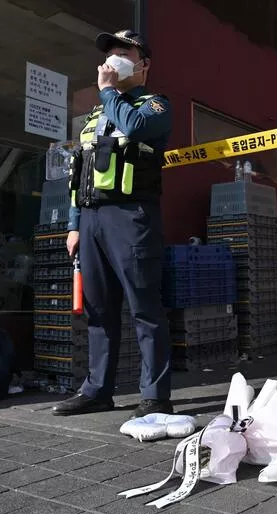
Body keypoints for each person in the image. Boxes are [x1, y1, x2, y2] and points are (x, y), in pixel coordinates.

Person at [52, 30, 173, 417]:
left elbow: (136, 128)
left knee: (144, 307)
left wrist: (108, 92)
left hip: (131, 217)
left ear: (143, 64)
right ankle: (97, 390)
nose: (114, 60)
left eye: (124, 54)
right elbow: (78, 173)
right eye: (110, 54)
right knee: (99, 310)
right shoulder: (95, 117)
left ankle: (154, 396)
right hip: (90, 219)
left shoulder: (154, 105)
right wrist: (74, 224)